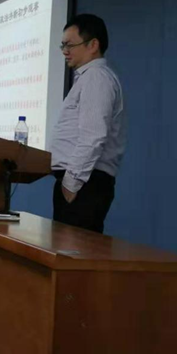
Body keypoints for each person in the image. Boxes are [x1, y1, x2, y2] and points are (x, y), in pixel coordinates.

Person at [50, 14, 126, 234]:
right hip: (83, 181)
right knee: (66, 250)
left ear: (93, 45)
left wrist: (71, 184)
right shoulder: (88, 77)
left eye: (70, 45)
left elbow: (93, 136)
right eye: (62, 45)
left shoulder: (96, 77)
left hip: (85, 183)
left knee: (73, 251)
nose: (64, 51)